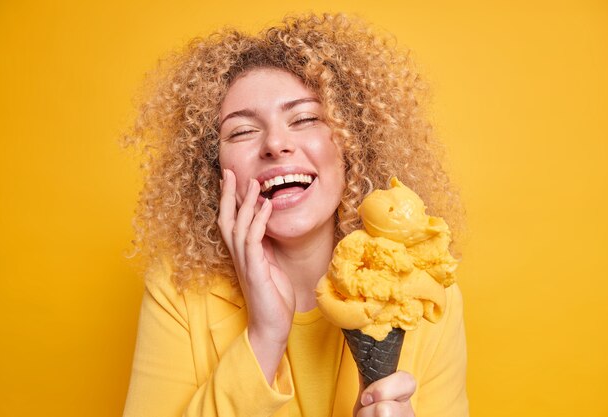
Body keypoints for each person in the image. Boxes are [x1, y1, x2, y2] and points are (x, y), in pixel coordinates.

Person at [122, 13, 468, 417]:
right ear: (214, 169)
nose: (275, 144)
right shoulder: (179, 289)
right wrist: (264, 336)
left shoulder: (423, 294)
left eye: (304, 119)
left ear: (352, 144)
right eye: (242, 131)